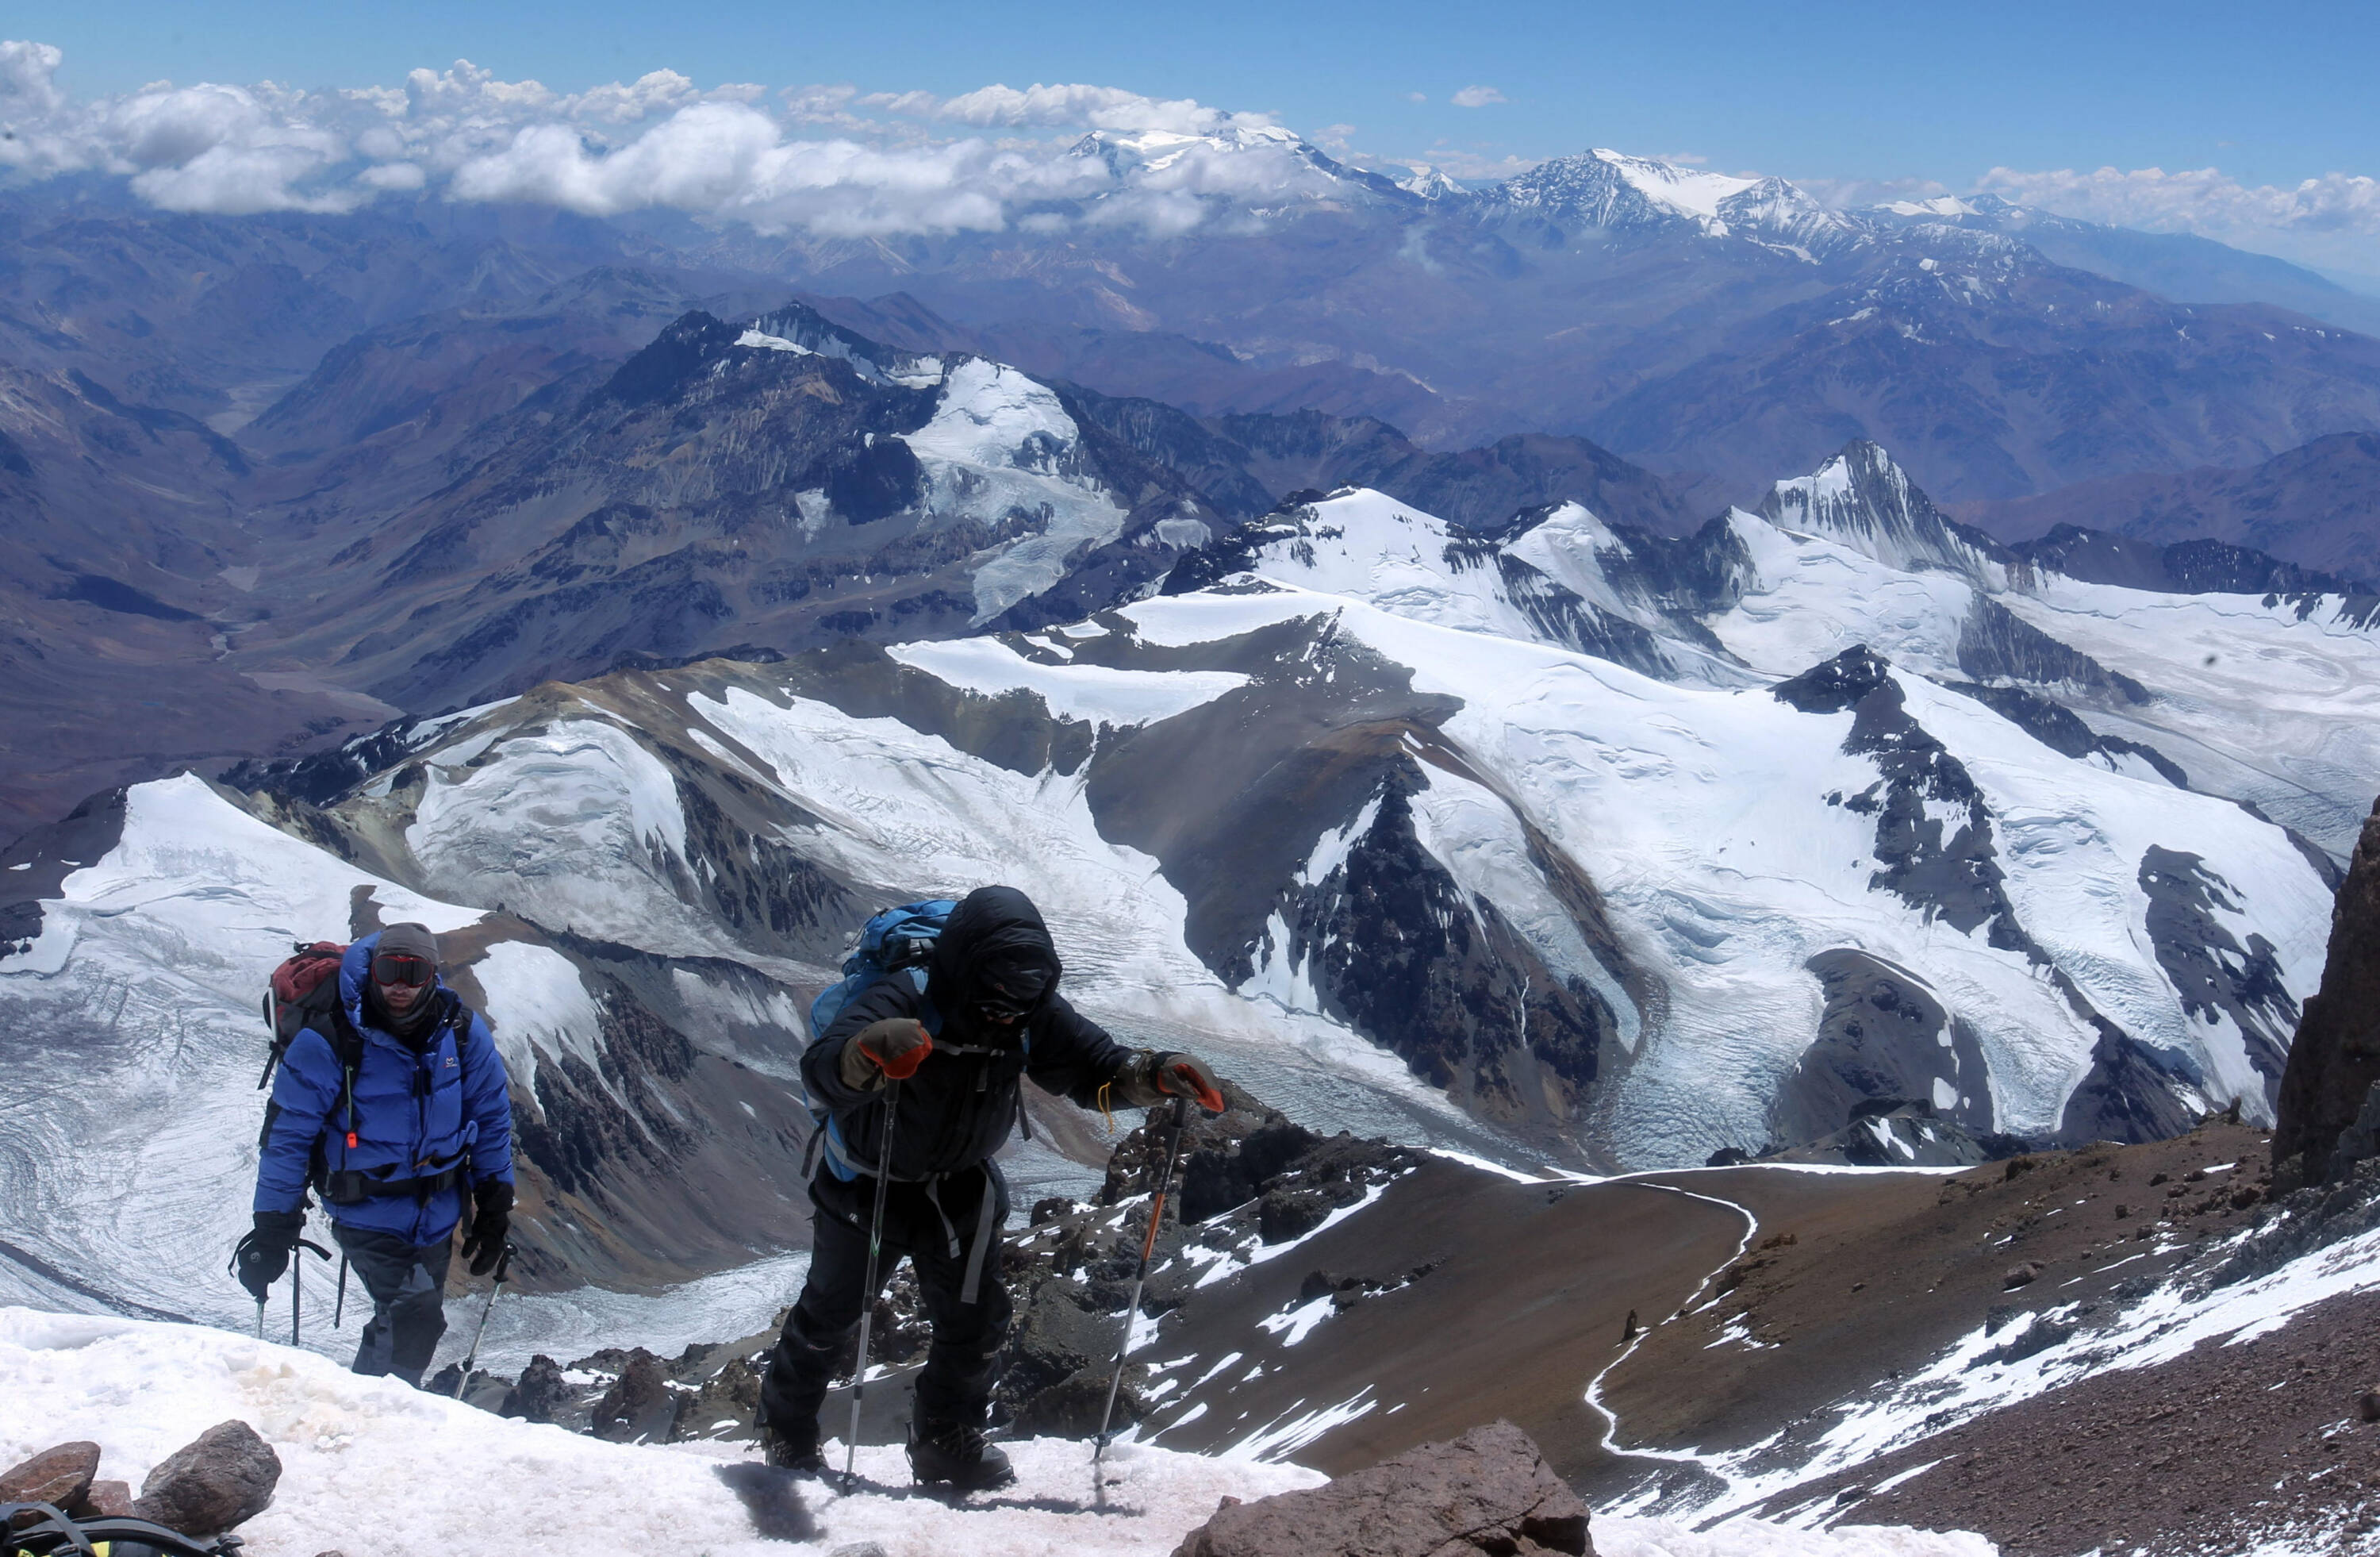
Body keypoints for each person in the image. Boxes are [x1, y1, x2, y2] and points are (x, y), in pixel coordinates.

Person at [760, 886, 1226, 1489]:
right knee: (832, 1312)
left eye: (1028, 989)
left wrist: (1156, 1076)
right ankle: (786, 1431)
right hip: (868, 1184)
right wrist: (867, 1052)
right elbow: (824, 1067)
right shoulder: (903, 995)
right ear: (966, 965)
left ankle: (944, 1442)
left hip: (960, 1185)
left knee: (976, 1320)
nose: (1011, 1004)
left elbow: (1095, 1069)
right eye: (1001, 987)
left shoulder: (1032, 1011)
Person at [232, 923, 516, 1386]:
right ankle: (376, 1420)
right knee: (413, 1320)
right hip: (364, 1210)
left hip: (438, 1212)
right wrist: (273, 1226)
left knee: (412, 1318)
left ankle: (371, 1410)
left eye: (414, 971)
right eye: (389, 969)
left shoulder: (461, 1033)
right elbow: (286, 1138)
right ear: (374, 970)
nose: (399, 985)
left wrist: (495, 1207)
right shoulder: (328, 1040)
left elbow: (491, 1118)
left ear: (432, 974)